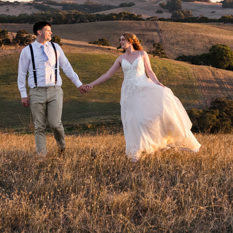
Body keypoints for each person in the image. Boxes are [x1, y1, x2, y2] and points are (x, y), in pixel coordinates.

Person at [81, 33, 200, 161]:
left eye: (122, 39)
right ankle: (136, 152)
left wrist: (158, 83)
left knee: (150, 117)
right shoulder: (121, 58)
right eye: (120, 40)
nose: (120, 42)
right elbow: (106, 75)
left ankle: (155, 143)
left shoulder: (142, 54)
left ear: (130, 41)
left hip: (143, 87)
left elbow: (149, 71)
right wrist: (91, 85)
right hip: (129, 93)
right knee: (133, 121)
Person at [17, 21, 86, 157]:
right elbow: (21, 74)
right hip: (36, 92)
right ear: (39, 32)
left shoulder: (55, 47)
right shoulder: (27, 51)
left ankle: (62, 147)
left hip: (55, 90)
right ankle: (41, 155)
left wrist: (79, 84)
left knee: (55, 124)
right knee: (39, 126)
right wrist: (23, 94)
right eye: (48, 30)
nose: (51, 32)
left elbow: (66, 67)